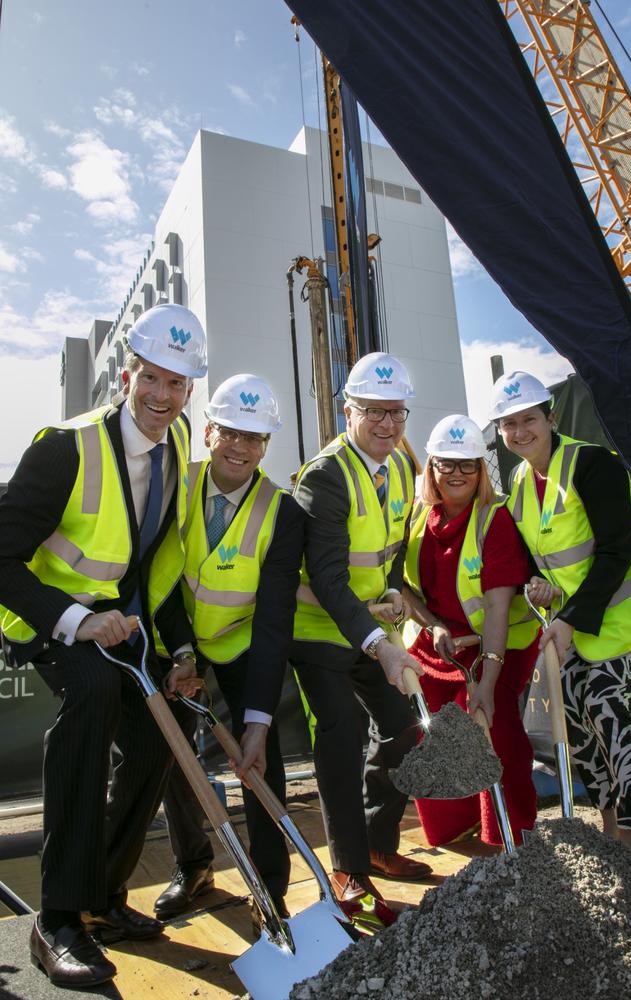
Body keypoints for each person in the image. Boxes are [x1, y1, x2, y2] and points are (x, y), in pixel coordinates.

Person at [0, 304, 207, 989]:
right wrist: (72, 620)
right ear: (128, 375)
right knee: (91, 696)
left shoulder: (175, 452)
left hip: (119, 621)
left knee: (162, 729)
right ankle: (57, 918)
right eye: (152, 378)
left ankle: (104, 896)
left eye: (177, 385)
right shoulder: (66, 445)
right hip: (47, 620)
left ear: (188, 393)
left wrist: (178, 650)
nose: (161, 395)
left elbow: (152, 567)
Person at [154, 374, 304, 930]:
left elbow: (273, 624)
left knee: (263, 759)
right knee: (169, 749)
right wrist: (181, 654)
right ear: (210, 430)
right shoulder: (174, 485)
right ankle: (193, 868)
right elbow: (160, 580)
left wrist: (259, 722)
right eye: (231, 433)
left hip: (243, 643)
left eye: (256, 438)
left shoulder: (283, 513)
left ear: (267, 445)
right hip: (177, 640)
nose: (241, 448)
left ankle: (272, 894)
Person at [290, 352, 432, 916]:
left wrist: (395, 591)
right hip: (321, 632)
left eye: (396, 412)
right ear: (348, 412)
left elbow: (389, 551)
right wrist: (381, 645)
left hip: (371, 624)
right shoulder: (325, 476)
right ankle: (347, 869)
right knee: (341, 735)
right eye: (373, 412)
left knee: (400, 729)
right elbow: (325, 577)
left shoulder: (400, 467)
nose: (387, 424)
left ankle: (376, 844)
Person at [491, 370, 631, 856]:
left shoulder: (592, 463)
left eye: (529, 419)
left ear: (551, 417)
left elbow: (616, 551)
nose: (520, 432)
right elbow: (550, 562)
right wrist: (542, 587)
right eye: (508, 423)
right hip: (582, 624)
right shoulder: (519, 482)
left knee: (605, 707)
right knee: (575, 720)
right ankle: (607, 828)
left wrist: (568, 617)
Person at [402, 414, 540, 847]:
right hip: (437, 642)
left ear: (482, 470)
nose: (457, 473)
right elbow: (401, 587)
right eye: (447, 463)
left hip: (495, 645)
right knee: (432, 731)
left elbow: (498, 607)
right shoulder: (417, 515)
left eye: (468, 464)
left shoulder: (493, 518)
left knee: (492, 724)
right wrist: (435, 625)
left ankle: (512, 833)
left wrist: (489, 676)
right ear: (432, 467)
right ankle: (453, 828)